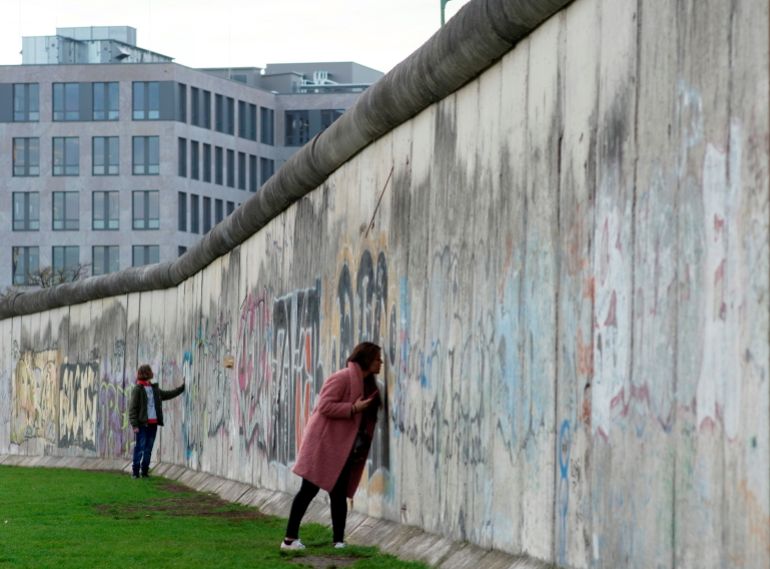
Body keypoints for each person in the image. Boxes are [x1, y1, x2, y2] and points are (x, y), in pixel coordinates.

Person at [281, 342, 383, 550]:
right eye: (376, 359)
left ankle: (339, 541)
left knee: (338, 494)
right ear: (366, 360)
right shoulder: (342, 377)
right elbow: (324, 406)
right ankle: (289, 539)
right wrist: (353, 408)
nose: (380, 362)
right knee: (307, 491)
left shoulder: (367, 384)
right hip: (323, 445)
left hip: (341, 449)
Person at [128, 364, 185, 479]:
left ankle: (144, 471)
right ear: (147, 373)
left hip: (153, 424)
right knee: (140, 447)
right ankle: (135, 472)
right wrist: (134, 425)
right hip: (142, 424)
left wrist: (181, 389)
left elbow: (167, 394)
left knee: (148, 448)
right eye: (149, 372)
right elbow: (132, 409)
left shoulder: (154, 389)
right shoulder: (137, 389)